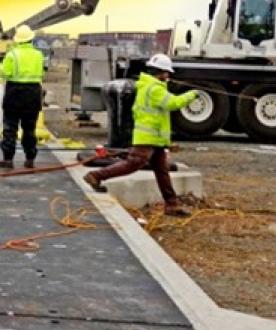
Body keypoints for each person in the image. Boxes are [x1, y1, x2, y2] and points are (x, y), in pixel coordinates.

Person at [84, 53, 196, 215]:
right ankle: (96, 175)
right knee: (133, 164)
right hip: (148, 137)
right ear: (161, 72)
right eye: (167, 72)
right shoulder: (154, 89)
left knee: (162, 170)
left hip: (154, 138)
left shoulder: (147, 86)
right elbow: (174, 103)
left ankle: (171, 204)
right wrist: (192, 95)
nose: (169, 76)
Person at [0, 25, 45, 169]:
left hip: (14, 92)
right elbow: (41, 73)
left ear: (17, 40)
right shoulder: (39, 55)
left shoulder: (12, 54)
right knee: (29, 128)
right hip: (33, 93)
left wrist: (2, 62)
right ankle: (30, 159)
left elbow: (4, 74)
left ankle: (8, 159)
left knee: (10, 127)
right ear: (31, 38)